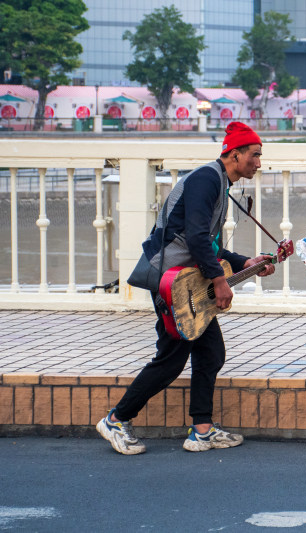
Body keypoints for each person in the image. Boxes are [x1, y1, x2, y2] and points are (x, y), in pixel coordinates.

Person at [97, 121, 275, 455]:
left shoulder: (220, 183)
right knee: (171, 358)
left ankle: (202, 431)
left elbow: (205, 244)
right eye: (253, 155)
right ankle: (116, 419)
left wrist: (244, 262)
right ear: (234, 154)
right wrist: (220, 281)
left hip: (187, 279)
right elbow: (194, 238)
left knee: (210, 353)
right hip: (170, 279)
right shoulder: (207, 179)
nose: (258, 163)